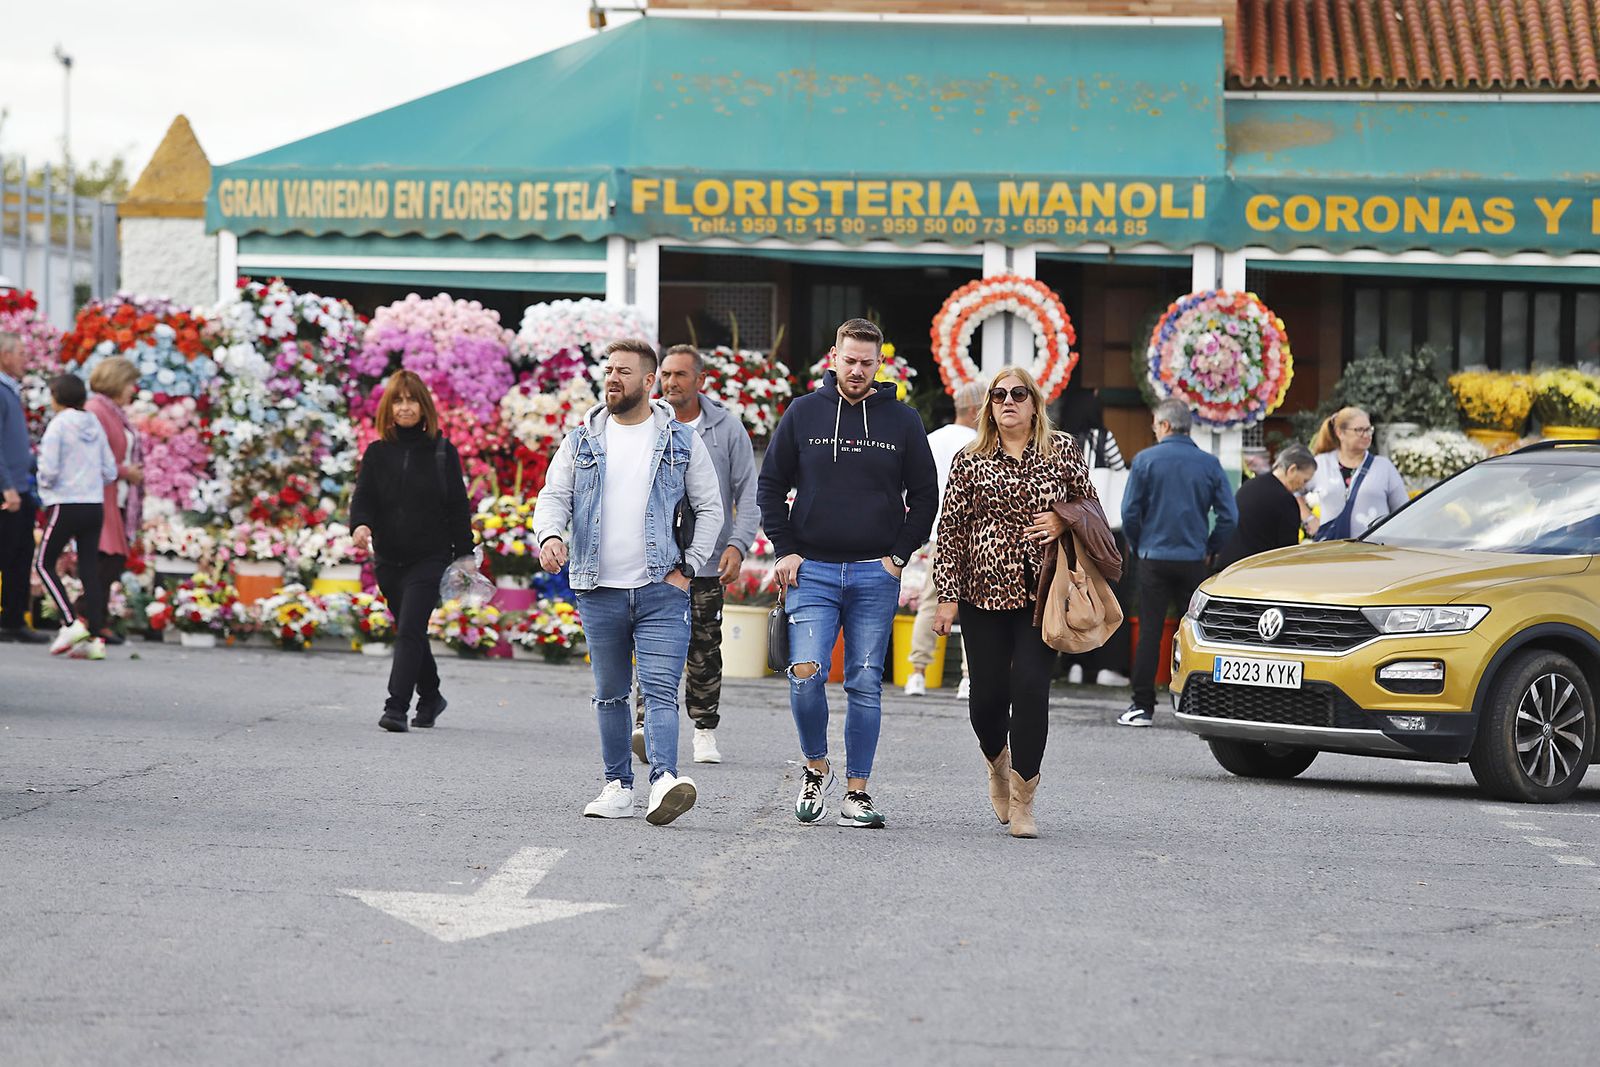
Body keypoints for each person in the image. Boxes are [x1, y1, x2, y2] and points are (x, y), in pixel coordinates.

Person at [757, 317, 937, 829]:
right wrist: (786, 549)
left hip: (874, 575)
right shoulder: (803, 413)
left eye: (867, 362)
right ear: (832, 358)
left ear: (880, 363)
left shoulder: (902, 421)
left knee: (863, 681)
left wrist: (898, 556)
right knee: (805, 673)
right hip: (810, 571)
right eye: (849, 360)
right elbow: (770, 486)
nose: (857, 371)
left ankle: (857, 792)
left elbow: (925, 495)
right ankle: (816, 768)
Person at [534, 339, 722, 826]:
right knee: (611, 693)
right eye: (609, 370)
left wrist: (689, 568)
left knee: (661, 691)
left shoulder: (681, 440)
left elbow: (710, 507)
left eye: (623, 371)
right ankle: (617, 785)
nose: (612, 378)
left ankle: (663, 780)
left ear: (648, 379)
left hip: (663, 588)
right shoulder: (582, 439)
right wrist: (551, 534)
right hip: (599, 589)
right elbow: (554, 495)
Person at [931, 367, 1095, 838]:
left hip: (1042, 593)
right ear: (988, 406)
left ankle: (1024, 799)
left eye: (1017, 394)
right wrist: (947, 597)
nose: (1007, 401)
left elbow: (1089, 504)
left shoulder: (1061, 449)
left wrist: (1063, 521)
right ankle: (997, 763)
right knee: (985, 701)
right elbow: (952, 530)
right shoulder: (970, 458)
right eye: (998, 395)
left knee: (1029, 690)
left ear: (1034, 403)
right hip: (982, 593)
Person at [628, 343, 758, 767]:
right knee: (650, 643)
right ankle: (646, 727)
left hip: (705, 561)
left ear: (700, 380)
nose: (670, 383)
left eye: (680, 375)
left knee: (704, 648)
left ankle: (704, 730)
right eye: (665, 374)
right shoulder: (646, 422)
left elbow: (747, 493)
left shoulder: (725, 427)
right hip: (654, 559)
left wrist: (738, 545)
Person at [350, 370, 475, 733]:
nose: (405, 407)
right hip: (388, 561)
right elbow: (364, 498)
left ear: (424, 407)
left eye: (412, 400)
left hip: (429, 558)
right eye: (399, 401)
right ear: (389, 407)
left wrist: (464, 556)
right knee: (412, 631)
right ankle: (432, 695)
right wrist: (360, 525)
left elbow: (457, 506)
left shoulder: (441, 451)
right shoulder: (376, 453)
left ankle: (396, 706)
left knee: (408, 631)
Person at [1118, 398, 1237, 728]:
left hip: (1153, 556)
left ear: (1166, 425)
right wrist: (1211, 547)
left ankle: (1142, 707)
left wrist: (1139, 543)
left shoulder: (1145, 460)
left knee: (1150, 633)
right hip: (1193, 557)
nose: (1154, 429)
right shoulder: (1209, 464)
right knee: (1199, 633)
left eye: (1155, 424)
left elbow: (1129, 512)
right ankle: (1205, 704)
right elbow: (1229, 517)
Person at [902, 379, 985, 699]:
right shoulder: (983, 443)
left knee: (930, 602)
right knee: (975, 606)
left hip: (940, 532)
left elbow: (913, 485)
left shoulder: (932, 440)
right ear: (977, 410)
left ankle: (917, 673)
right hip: (978, 535)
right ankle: (969, 677)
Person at [33, 374, 117, 659]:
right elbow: (110, 469)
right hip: (94, 504)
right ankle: (94, 638)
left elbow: (49, 469)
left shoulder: (58, 425)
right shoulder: (94, 423)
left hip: (65, 503)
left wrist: (44, 484)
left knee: (44, 563)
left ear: (57, 396)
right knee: (89, 570)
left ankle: (70, 623)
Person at [1056, 387, 1130, 688]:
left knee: (1075, 592)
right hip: (1104, 529)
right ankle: (1106, 666)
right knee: (1107, 593)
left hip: (1072, 528)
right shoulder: (1103, 439)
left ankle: (1074, 662)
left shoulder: (1060, 440)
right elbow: (1121, 471)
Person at [85, 357, 144, 646]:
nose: (134, 389)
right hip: (103, 493)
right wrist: (125, 472)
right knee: (108, 557)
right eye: (131, 383)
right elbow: (93, 456)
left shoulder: (115, 412)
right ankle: (86, 617)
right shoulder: (96, 410)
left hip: (116, 495)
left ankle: (95, 619)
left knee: (111, 559)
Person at [0, 331, 48, 644]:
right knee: (7, 553)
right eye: (20, 354)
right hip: (9, 490)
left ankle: (13, 620)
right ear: (4, 355)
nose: (25, 361)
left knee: (19, 554)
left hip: (21, 487)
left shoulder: (10, 390)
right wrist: (6, 486)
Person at [1307, 407, 1408, 539]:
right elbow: (1293, 488)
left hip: (1374, 548)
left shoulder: (1384, 466)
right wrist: (1309, 518)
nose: (1366, 435)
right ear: (1340, 433)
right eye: (1359, 430)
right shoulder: (1321, 463)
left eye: (1368, 429)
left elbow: (1403, 510)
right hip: (1331, 550)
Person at [1215, 443, 1318, 570]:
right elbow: (1287, 554)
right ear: (1292, 470)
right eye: (1304, 480)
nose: (1303, 487)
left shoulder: (1249, 485)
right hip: (1253, 572)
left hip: (1226, 566)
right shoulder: (1285, 501)